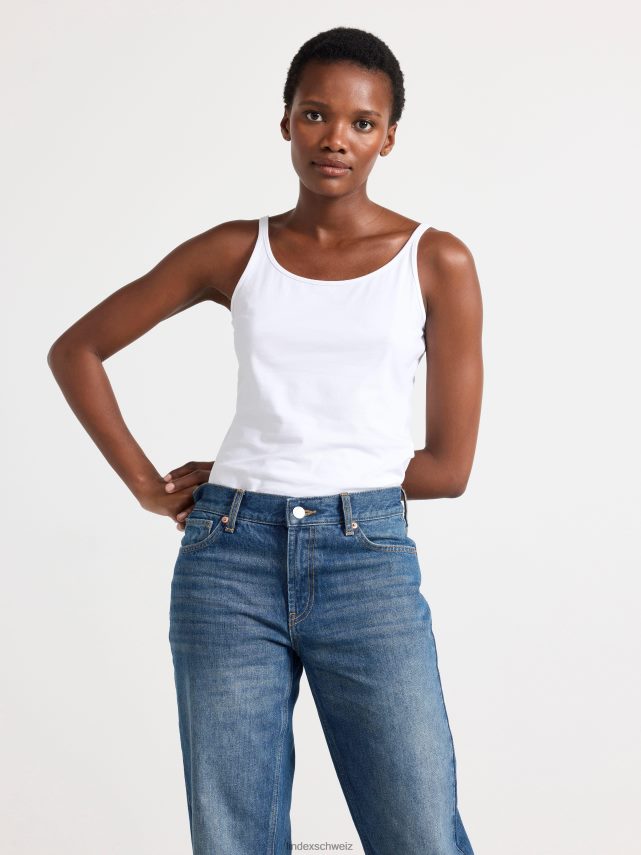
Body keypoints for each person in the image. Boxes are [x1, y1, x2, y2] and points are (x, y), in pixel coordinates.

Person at [48, 25, 483, 855]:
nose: (335, 138)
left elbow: (448, 468)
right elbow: (78, 350)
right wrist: (146, 484)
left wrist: (294, 467)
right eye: (315, 113)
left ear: (389, 137)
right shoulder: (234, 250)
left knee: (420, 832)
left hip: (366, 559)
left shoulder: (436, 261)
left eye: (361, 122)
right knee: (234, 838)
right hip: (227, 558)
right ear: (285, 120)